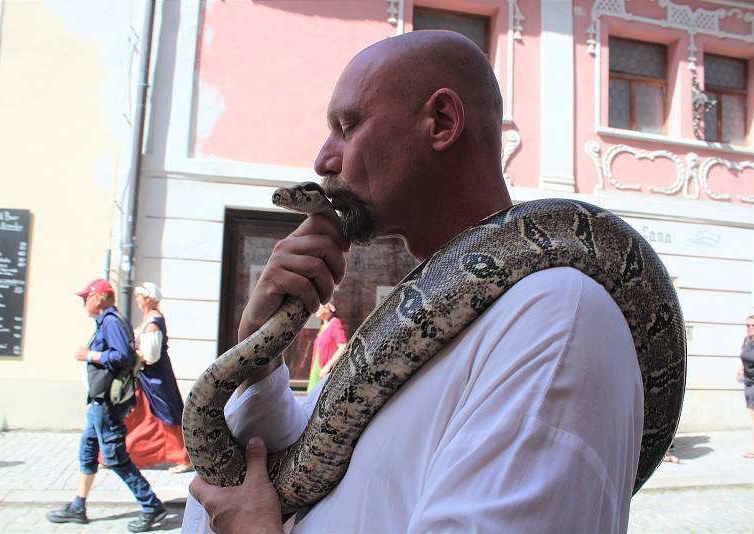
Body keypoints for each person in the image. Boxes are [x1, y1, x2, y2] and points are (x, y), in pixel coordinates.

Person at [185, 30, 644, 533]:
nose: (323, 160)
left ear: (442, 122)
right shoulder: (416, 317)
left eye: (348, 125)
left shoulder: (556, 316)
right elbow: (297, 464)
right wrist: (260, 350)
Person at [46, 278, 168, 532]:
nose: (83, 302)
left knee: (114, 456)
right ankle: (79, 505)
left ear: (99, 298)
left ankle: (151, 505)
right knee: (88, 450)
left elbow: (122, 356)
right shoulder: (107, 321)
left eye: (85, 298)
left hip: (108, 403)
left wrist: (90, 355)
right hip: (99, 402)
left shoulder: (111, 322)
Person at [122, 282, 192, 473]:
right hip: (145, 376)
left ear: (148, 299)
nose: (136, 300)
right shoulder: (148, 318)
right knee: (138, 415)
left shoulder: (154, 321)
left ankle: (182, 457)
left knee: (166, 413)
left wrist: (133, 353)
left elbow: (151, 355)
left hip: (155, 376)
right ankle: (126, 454)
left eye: (139, 297)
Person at [736, 314, 754, 458]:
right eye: (748, 325)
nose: (750, 328)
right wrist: (741, 370)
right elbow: (744, 357)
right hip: (749, 381)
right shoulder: (747, 341)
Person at [305, 301, 347, 393]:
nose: (316, 309)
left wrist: (327, 366)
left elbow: (343, 346)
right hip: (317, 370)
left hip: (326, 373)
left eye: (319, 306)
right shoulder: (324, 326)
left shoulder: (335, 323)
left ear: (328, 309)